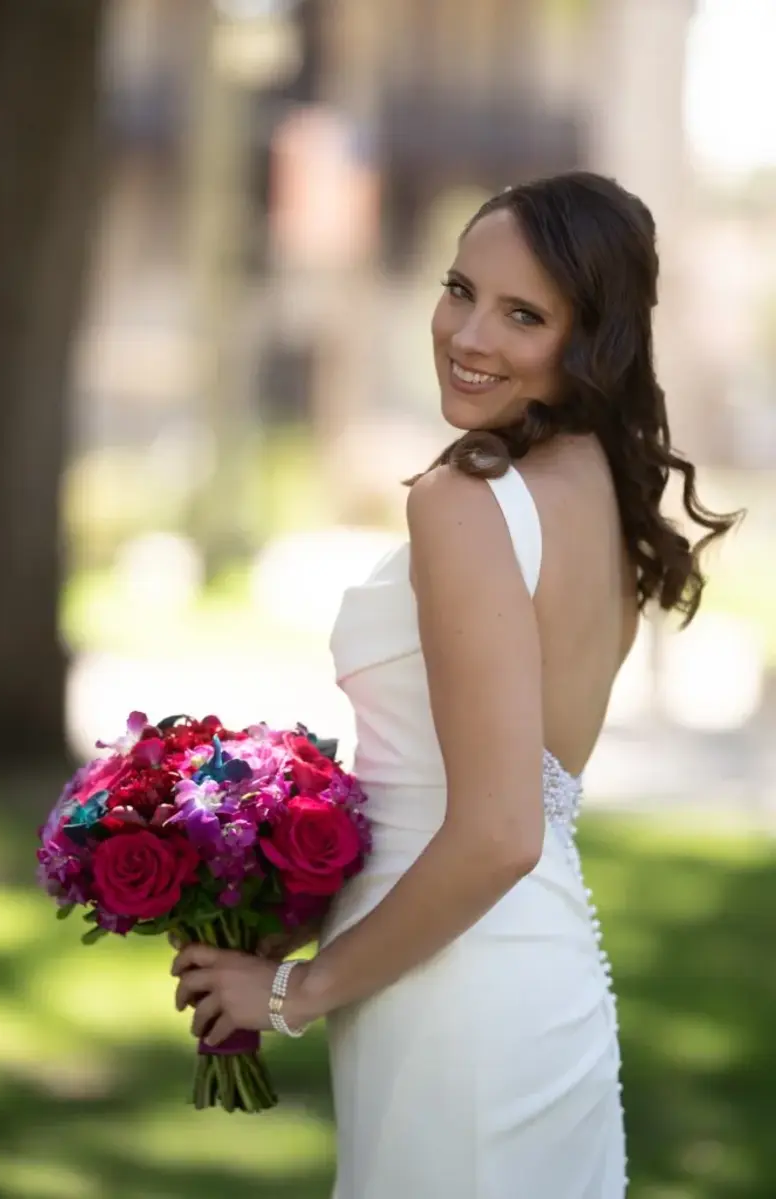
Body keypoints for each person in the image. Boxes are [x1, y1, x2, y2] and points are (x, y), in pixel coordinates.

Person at [171, 171, 741, 1197]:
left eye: (520, 313)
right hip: (524, 968)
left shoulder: (464, 496)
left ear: (589, 339)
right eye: (457, 288)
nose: (467, 333)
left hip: (452, 989)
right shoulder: (597, 494)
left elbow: (494, 828)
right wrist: (289, 894)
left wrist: (294, 990)